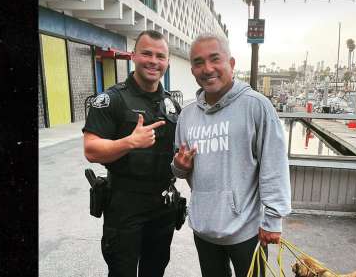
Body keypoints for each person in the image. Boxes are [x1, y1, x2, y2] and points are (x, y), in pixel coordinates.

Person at [171, 33, 292, 277]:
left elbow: (274, 165)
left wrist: (273, 219)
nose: (207, 69)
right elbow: (179, 168)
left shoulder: (256, 106)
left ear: (232, 63)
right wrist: (179, 166)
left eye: (215, 59)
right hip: (204, 230)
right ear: (192, 70)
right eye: (198, 62)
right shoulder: (186, 116)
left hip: (247, 232)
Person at [82, 30, 180, 277]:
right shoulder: (111, 99)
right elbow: (91, 149)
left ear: (167, 62)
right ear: (133, 56)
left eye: (160, 56)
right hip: (124, 205)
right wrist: (129, 142)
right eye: (146, 53)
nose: (153, 61)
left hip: (162, 205)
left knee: (155, 271)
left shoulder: (172, 104)